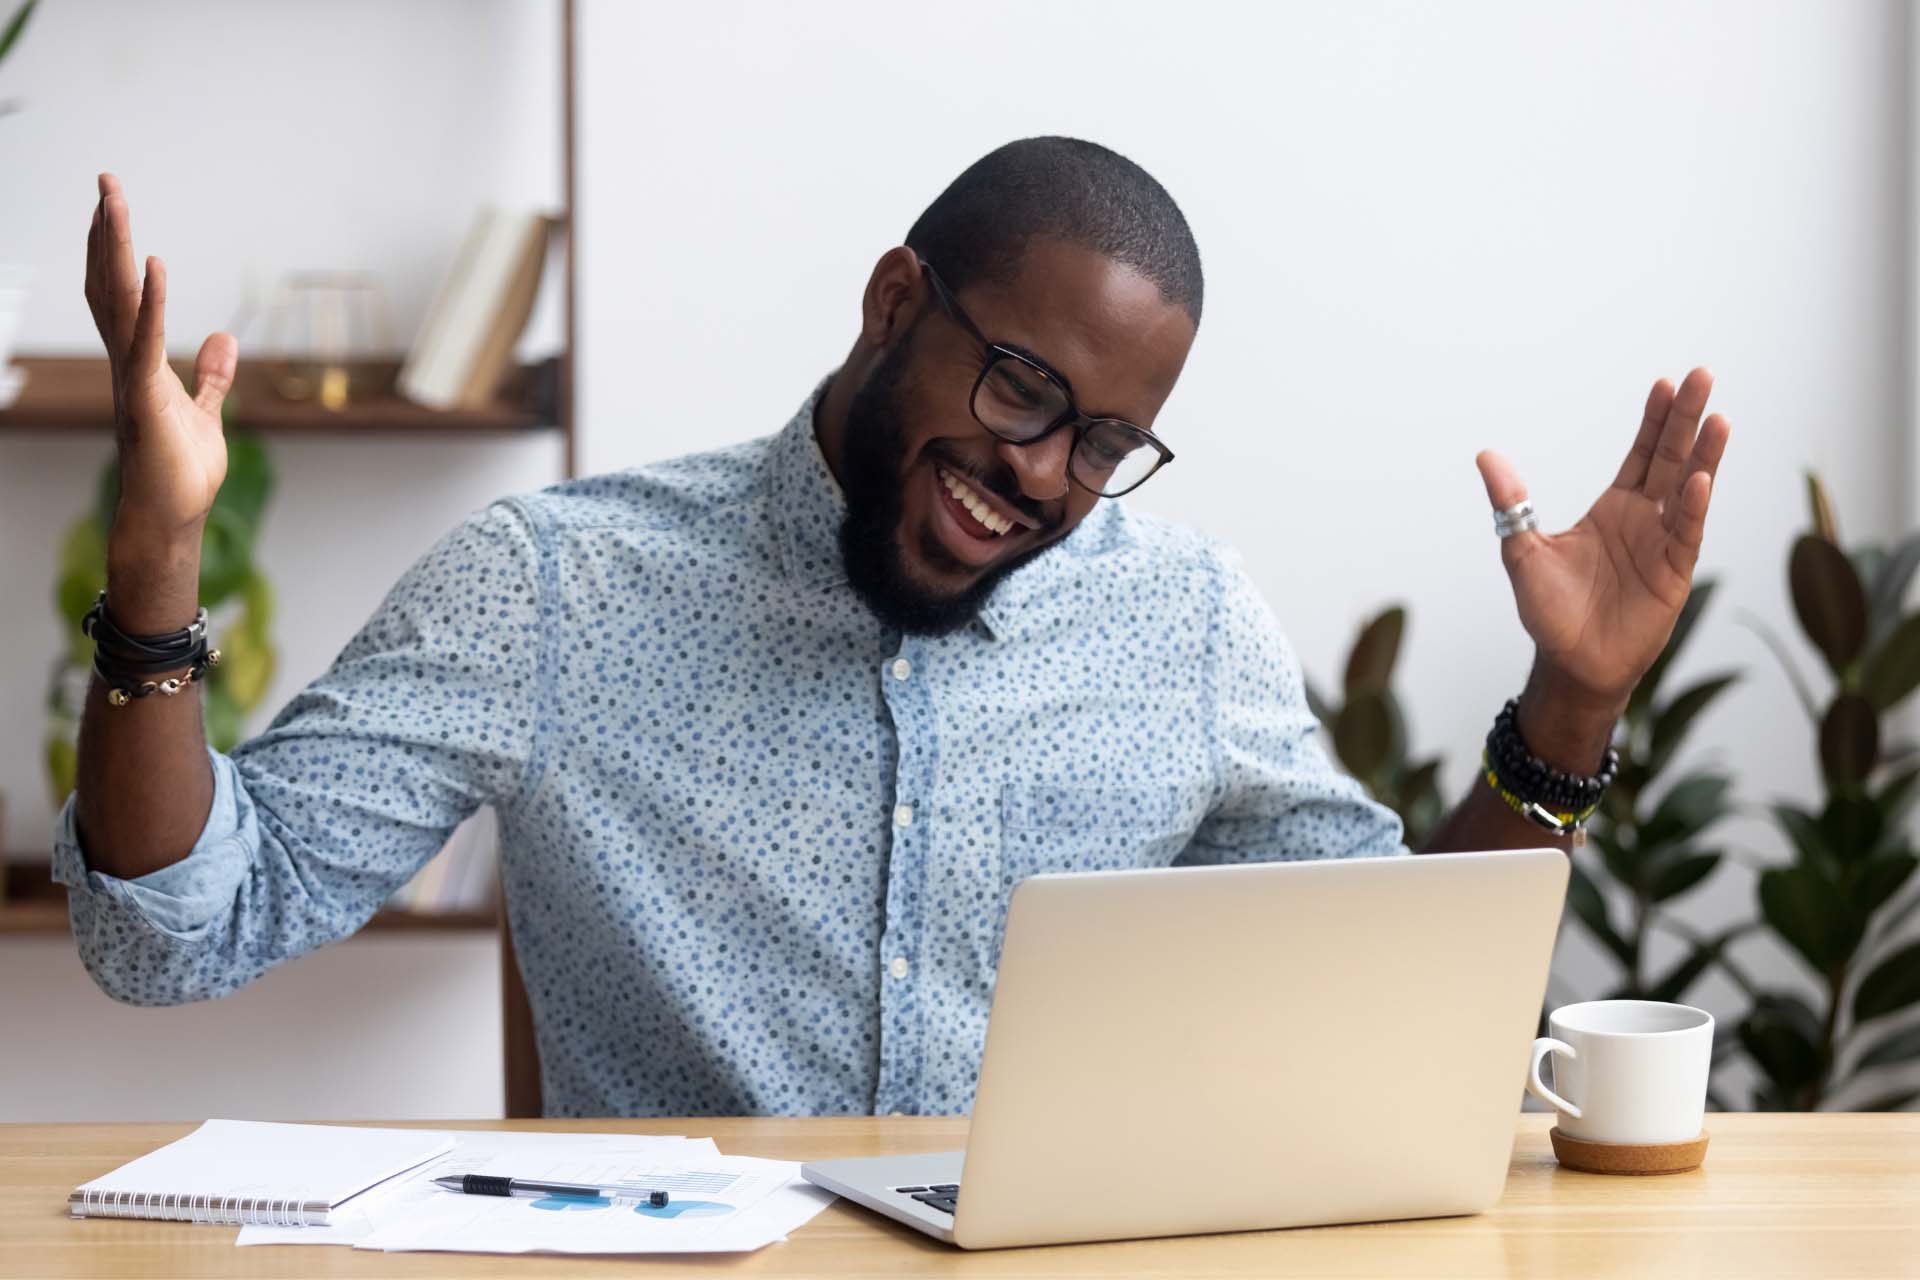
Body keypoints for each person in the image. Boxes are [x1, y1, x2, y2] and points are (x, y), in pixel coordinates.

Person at [60, 138, 1729, 1117]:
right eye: (1022, 389)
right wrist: (157, 565)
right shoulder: (558, 587)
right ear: (891, 306)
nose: (1043, 474)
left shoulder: (1185, 623)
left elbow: (1400, 1008)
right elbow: (171, 932)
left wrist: (1571, 702)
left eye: (1102, 443)